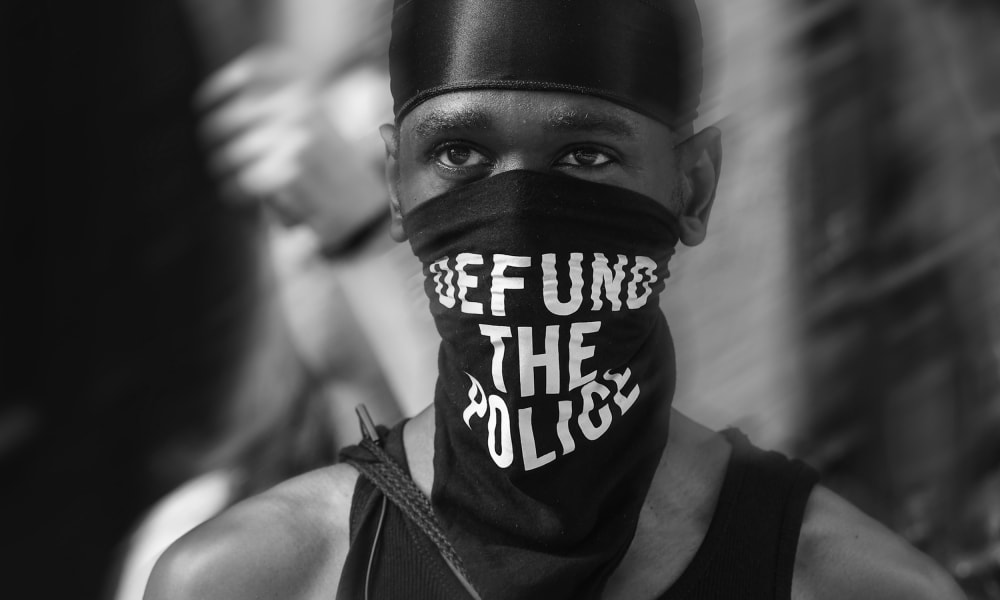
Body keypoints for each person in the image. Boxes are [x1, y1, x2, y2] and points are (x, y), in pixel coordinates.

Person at [143, 0, 967, 598]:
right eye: (460, 153)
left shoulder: (850, 585)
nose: (518, 214)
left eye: (583, 156)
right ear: (397, 186)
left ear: (694, 187)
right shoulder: (252, 579)